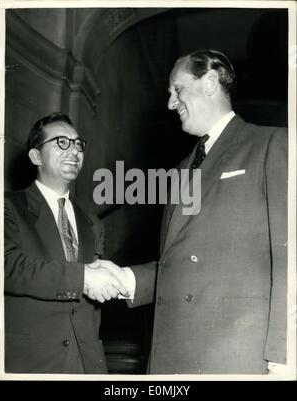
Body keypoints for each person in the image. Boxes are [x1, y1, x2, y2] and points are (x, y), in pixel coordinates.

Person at [99, 49, 288, 374]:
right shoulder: (182, 170)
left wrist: (283, 354)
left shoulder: (272, 144)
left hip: (238, 357)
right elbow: (185, 262)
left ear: (211, 81)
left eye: (177, 90)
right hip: (174, 357)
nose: (171, 103)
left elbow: (290, 255)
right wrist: (126, 278)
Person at [4, 112, 129, 374]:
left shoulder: (92, 223)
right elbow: (6, 266)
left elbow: (93, 298)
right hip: (30, 363)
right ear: (36, 156)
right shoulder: (7, 207)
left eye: (77, 143)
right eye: (62, 142)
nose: (74, 150)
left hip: (85, 363)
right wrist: (83, 278)